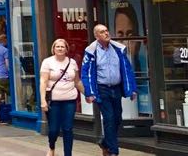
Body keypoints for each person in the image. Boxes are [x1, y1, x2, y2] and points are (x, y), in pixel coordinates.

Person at [82, 24, 137, 156]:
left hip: (116, 88)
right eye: (102, 32)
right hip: (102, 89)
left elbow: (127, 70)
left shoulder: (118, 49)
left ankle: (105, 143)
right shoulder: (91, 51)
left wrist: (132, 89)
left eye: (107, 31)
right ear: (96, 36)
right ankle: (113, 151)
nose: (106, 33)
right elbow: (86, 73)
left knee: (117, 118)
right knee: (109, 118)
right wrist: (89, 92)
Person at [40, 38, 84, 156]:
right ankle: (51, 146)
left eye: (62, 47)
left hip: (70, 100)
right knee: (53, 129)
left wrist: (87, 94)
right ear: (53, 49)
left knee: (68, 128)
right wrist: (43, 100)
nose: (60, 49)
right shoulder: (47, 62)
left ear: (66, 49)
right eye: (57, 47)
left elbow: (77, 81)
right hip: (54, 101)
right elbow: (43, 81)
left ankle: (68, 154)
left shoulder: (72, 62)